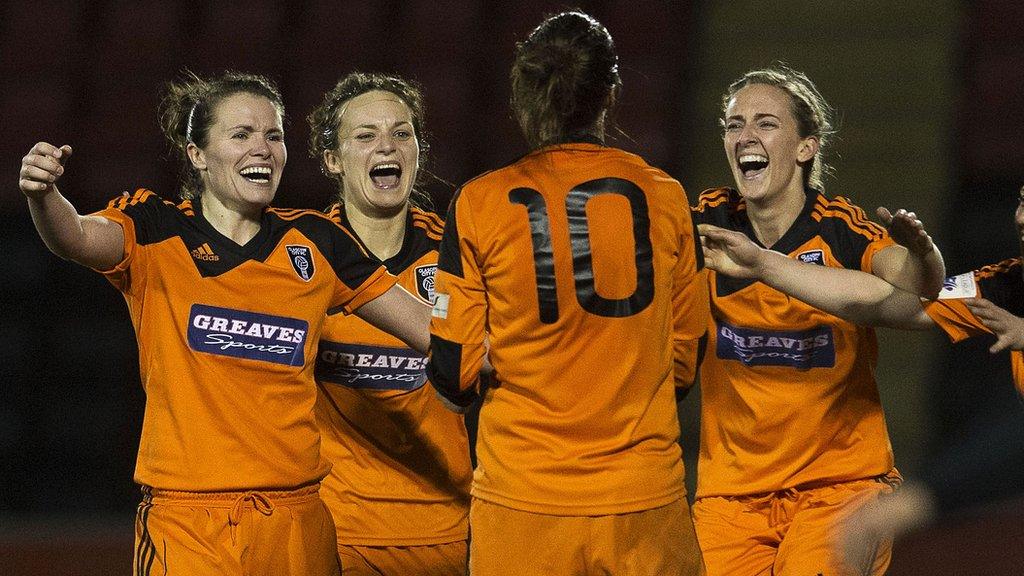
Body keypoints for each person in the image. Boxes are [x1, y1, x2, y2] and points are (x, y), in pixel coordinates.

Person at [18, 71, 432, 576]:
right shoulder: (155, 228)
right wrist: (44, 196)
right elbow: (77, 237)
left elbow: (427, 326)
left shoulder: (318, 242)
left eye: (273, 136)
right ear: (197, 153)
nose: (263, 149)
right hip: (189, 522)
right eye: (241, 135)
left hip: (298, 520)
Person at [425, 11, 709, 576]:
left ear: (523, 94)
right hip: (642, 501)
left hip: (523, 507)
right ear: (611, 92)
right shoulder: (668, 198)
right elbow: (686, 357)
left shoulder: (480, 203)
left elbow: (453, 368)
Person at [688, 64, 946, 576]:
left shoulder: (840, 228)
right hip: (730, 498)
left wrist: (922, 250)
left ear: (806, 147)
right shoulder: (706, 221)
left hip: (839, 489)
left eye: (766, 123)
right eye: (734, 125)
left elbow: (922, 290)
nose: (746, 137)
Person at [698, 187, 1024, 568]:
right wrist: (765, 266)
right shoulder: (1005, 285)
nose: (1020, 217)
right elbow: (893, 304)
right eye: (1021, 201)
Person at [306, 72, 472, 575]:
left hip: (444, 532)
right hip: (331, 532)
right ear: (333, 160)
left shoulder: (460, 254)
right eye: (366, 136)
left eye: (402, 133)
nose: (388, 146)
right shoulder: (299, 256)